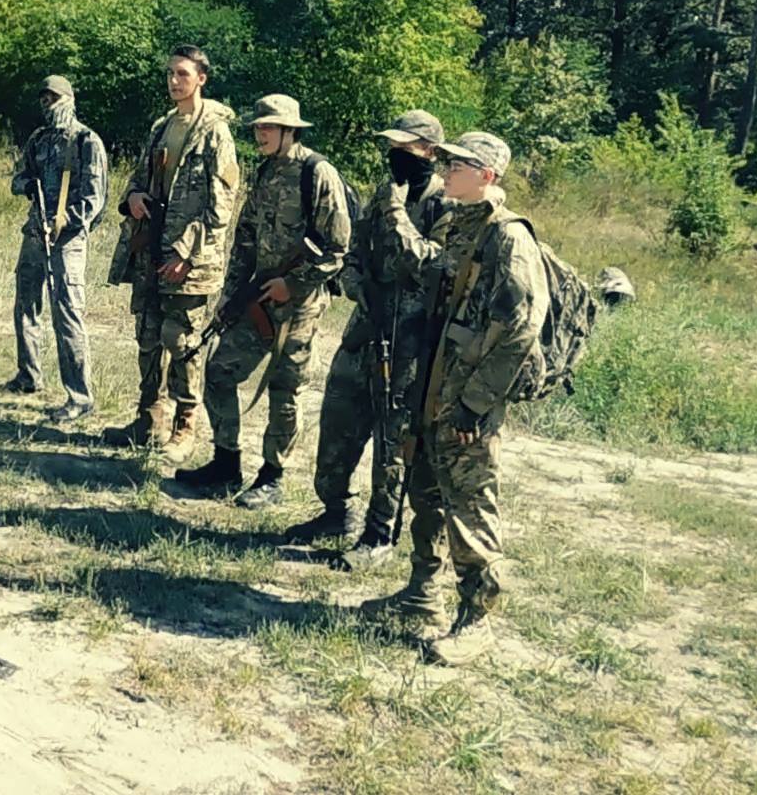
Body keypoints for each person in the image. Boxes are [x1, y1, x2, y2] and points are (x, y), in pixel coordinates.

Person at [361, 131, 548, 666]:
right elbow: (430, 272)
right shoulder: (459, 222)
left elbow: (520, 329)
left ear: (486, 175)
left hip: (467, 401)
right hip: (434, 387)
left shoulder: (508, 238)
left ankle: (478, 620)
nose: (446, 169)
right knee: (425, 493)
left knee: (469, 509)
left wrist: (476, 403)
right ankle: (423, 596)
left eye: (458, 164)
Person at [291, 110, 449, 563]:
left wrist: (397, 211)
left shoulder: (443, 206)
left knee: (392, 442)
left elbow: (426, 265)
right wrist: (362, 290)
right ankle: (336, 510)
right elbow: (355, 252)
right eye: (392, 146)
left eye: (407, 148)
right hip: (366, 331)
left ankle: (379, 535)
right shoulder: (383, 194)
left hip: (409, 346)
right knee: (338, 420)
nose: (395, 155)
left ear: (430, 153)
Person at [176, 94, 351, 506]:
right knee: (218, 372)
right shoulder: (266, 171)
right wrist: (232, 295)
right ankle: (225, 464)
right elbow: (247, 237)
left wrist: (295, 283)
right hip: (258, 298)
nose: (261, 133)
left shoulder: (318, 174)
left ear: (290, 130)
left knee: (284, 388)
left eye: (269, 127)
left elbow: (340, 249)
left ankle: (272, 476)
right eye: (258, 127)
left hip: (301, 303)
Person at [103, 46, 240, 459]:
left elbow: (222, 204)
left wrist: (186, 250)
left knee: (182, 342)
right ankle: (148, 420)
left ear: (201, 78)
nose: (173, 81)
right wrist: (136, 198)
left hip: (190, 260)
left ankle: (185, 427)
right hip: (151, 249)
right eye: (170, 74)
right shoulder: (163, 127)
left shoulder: (215, 132)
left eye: (182, 74)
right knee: (148, 337)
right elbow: (136, 179)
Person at [4, 76, 108, 422]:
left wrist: (66, 222)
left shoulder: (86, 141)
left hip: (67, 241)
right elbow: (19, 178)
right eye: (44, 99)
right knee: (25, 306)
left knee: (67, 314)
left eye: (54, 98)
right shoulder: (39, 139)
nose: (48, 105)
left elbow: (95, 201)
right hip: (35, 234)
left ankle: (80, 397)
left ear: (69, 100)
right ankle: (28, 376)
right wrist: (26, 187)